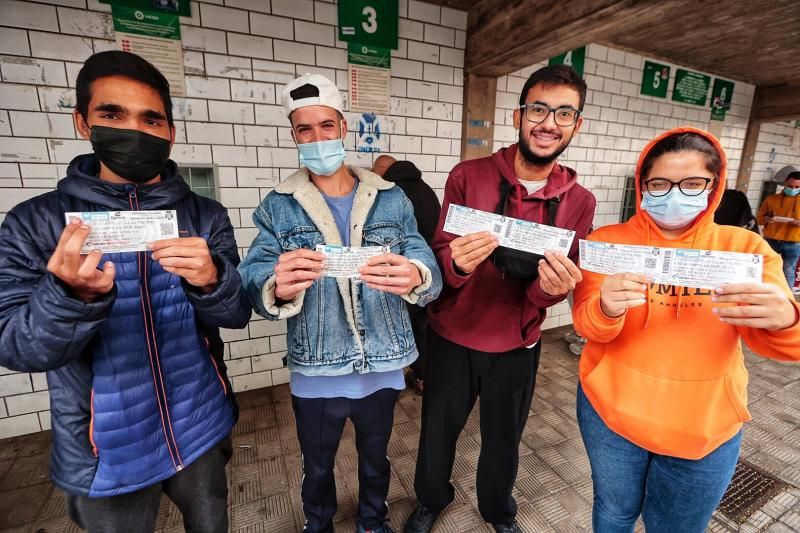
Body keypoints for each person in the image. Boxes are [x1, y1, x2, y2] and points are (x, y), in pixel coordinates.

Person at [0, 51, 251, 532]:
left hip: (199, 425)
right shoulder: (37, 222)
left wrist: (212, 280)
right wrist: (70, 296)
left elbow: (236, 312)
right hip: (105, 448)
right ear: (82, 122)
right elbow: (16, 345)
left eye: (150, 118)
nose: (133, 131)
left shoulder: (204, 216)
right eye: (112, 114)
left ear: (169, 132)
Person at [237, 74, 442, 533]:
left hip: (384, 360)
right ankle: (319, 524)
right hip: (318, 366)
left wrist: (417, 275)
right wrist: (275, 284)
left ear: (343, 128)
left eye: (326, 126)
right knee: (317, 466)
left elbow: (423, 257)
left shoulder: (391, 199)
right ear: (293, 134)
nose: (316, 138)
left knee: (376, 458)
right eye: (304, 129)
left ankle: (373, 521)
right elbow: (252, 272)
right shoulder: (277, 206)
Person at [572, 127, 800, 532]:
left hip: (704, 427)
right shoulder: (609, 243)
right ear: (643, 186)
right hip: (610, 414)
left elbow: (780, 345)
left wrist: (786, 319)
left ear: (714, 187)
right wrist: (606, 307)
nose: (673, 194)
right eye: (659, 183)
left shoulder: (744, 249)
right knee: (613, 512)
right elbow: (589, 326)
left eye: (692, 183)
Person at [406, 65, 596, 533]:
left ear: (577, 125)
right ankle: (430, 499)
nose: (548, 123)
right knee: (437, 433)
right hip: (452, 335)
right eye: (539, 109)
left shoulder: (580, 202)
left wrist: (550, 291)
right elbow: (437, 263)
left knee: (504, 439)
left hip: (516, 344)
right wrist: (459, 263)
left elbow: (551, 287)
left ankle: (497, 510)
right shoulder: (468, 176)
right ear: (519, 115)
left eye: (564, 113)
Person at [372, 155, 441, 395]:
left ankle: (392, 384)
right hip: (429, 273)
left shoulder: (392, 194)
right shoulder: (426, 188)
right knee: (422, 327)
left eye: (374, 171)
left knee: (396, 327)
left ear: (382, 169)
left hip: (401, 275)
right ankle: (423, 376)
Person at [756, 171, 800, 289]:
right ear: (785, 183)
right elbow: (759, 219)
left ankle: (787, 299)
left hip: (794, 243)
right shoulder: (771, 199)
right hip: (771, 240)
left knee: (788, 272)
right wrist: (767, 219)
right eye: (790, 186)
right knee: (763, 268)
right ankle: (761, 293)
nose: (793, 189)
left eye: (797, 187)